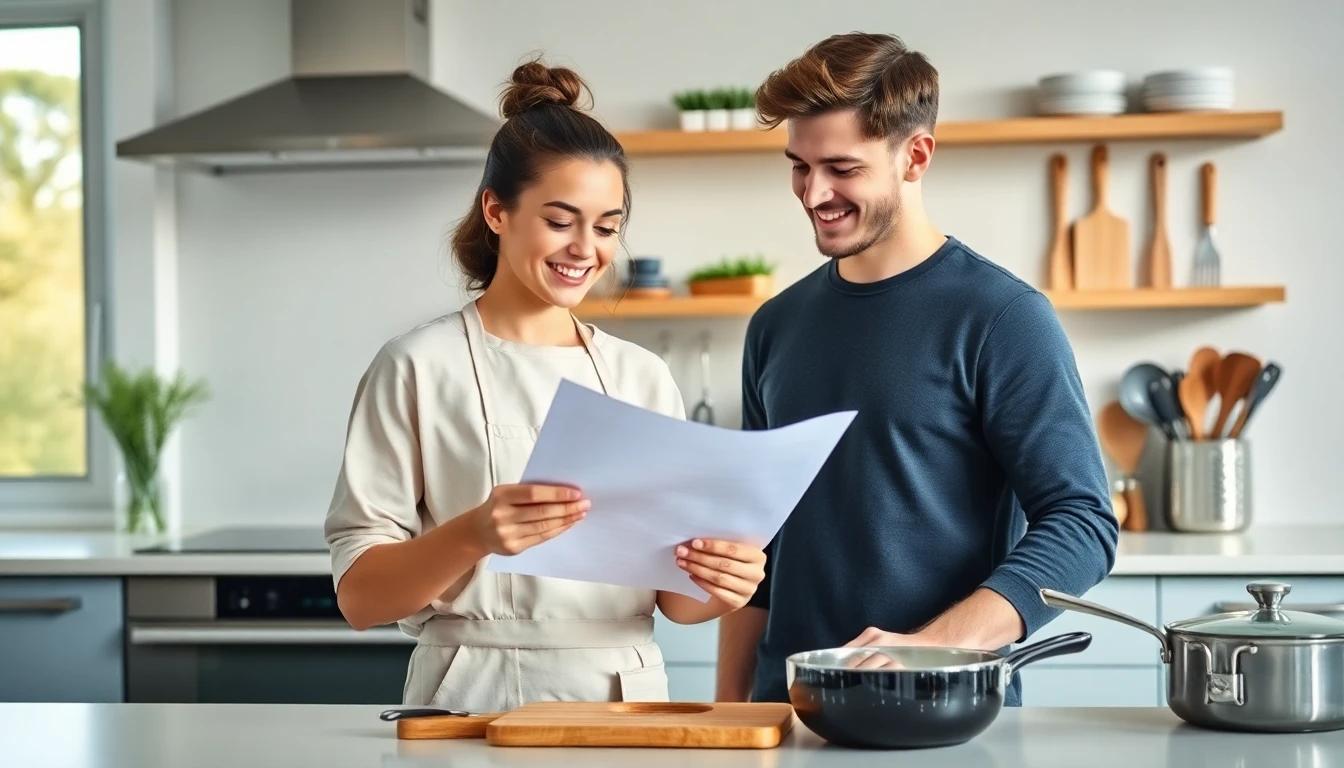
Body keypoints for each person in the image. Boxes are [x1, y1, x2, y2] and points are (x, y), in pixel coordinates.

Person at [324, 58, 767, 714]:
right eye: (561, 220)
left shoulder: (640, 376)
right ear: (496, 211)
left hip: (624, 701)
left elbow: (675, 599)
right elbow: (360, 598)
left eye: (608, 226)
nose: (585, 248)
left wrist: (726, 583)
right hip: (468, 698)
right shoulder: (416, 365)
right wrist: (475, 534)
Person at [715, 33, 1119, 707]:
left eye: (841, 168)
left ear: (916, 156)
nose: (814, 194)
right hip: (783, 715)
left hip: (942, 713)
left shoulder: (1002, 318)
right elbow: (754, 549)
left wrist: (930, 648)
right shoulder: (774, 326)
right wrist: (728, 715)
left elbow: (1081, 523)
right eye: (798, 166)